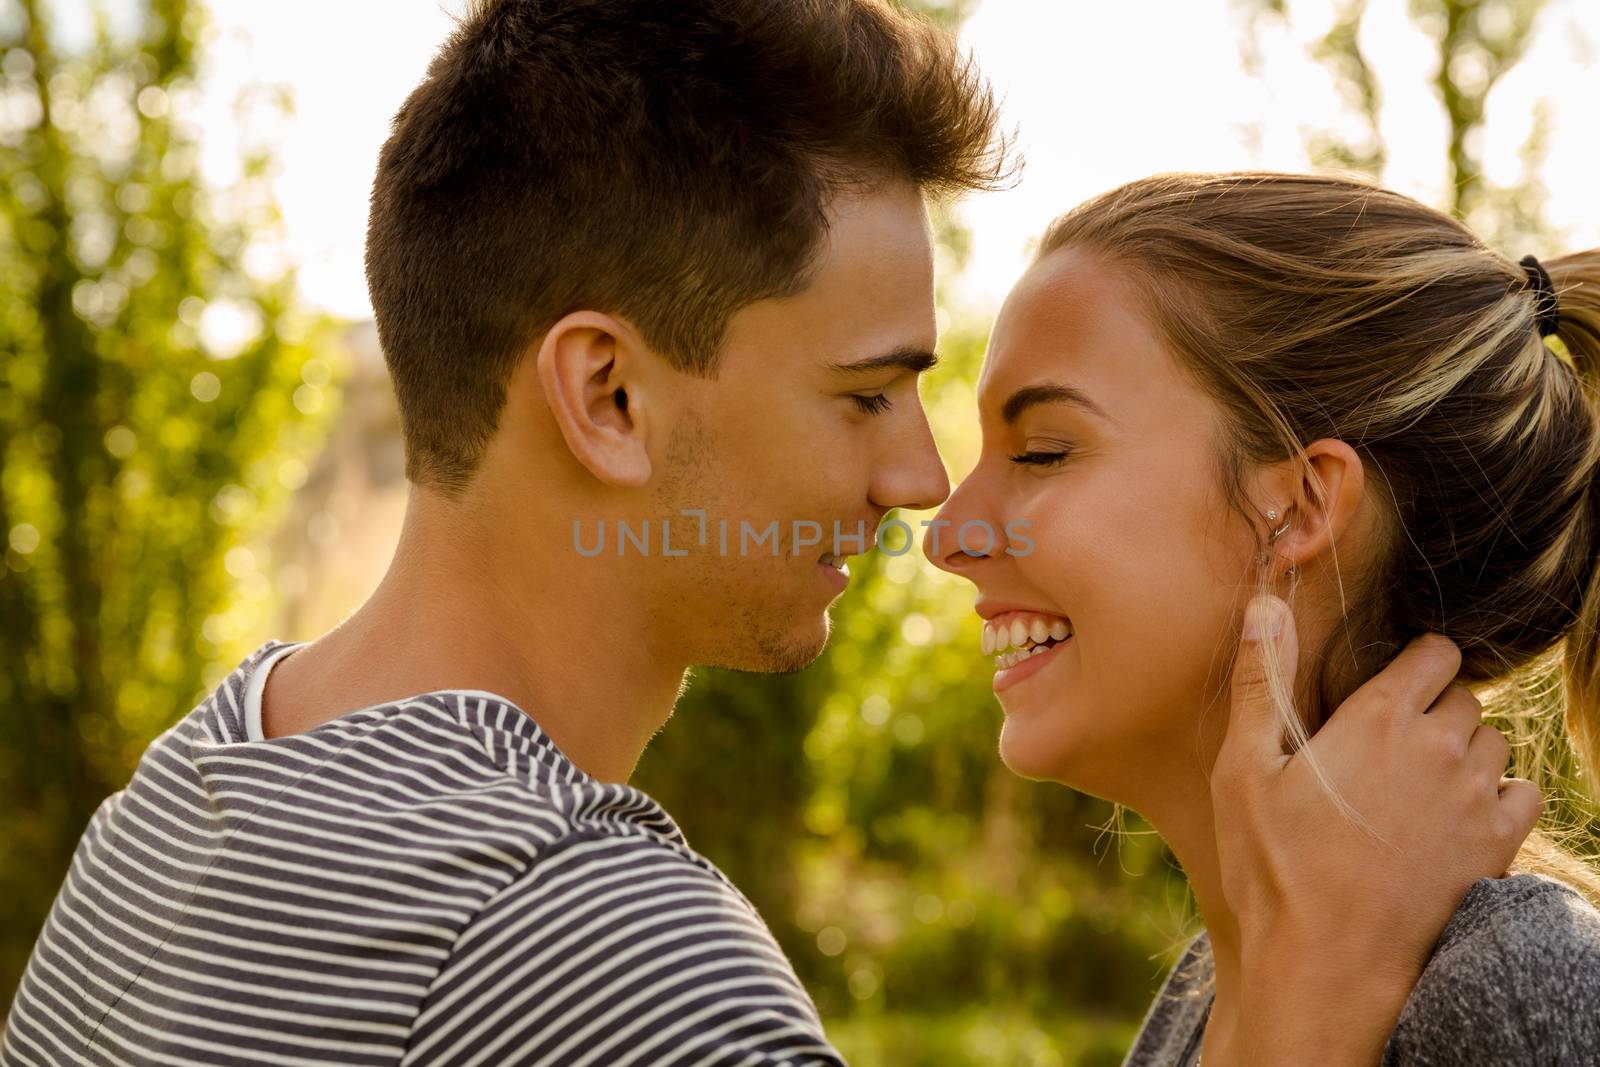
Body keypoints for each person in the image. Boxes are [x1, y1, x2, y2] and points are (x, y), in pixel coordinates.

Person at [0, 2, 1537, 1063]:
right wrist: (1301, 1014)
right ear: (606, 392)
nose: (922, 486)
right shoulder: (603, 959)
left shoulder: (170, 809)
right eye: (869, 393)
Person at [926, 170, 1600, 1066]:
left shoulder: (1517, 995)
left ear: (1300, 506)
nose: (945, 533)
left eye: (1044, 450)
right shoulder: (1204, 998)